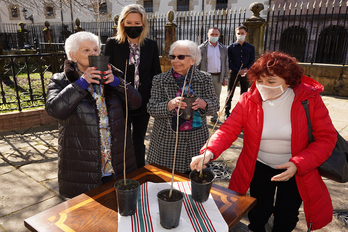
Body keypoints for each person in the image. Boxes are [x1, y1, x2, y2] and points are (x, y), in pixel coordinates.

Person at [190, 51, 337, 231]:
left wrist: (299, 164)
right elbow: (229, 129)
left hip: (295, 168)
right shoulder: (248, 100)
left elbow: (326, 138)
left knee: (287, 214)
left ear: (288, 80)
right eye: (259, 81)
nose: (263, 87)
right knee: (258, 210)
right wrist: (209, 151)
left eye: (271, 82)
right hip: (259, 165)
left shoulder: (309, 100)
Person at [45, 31, 142, 198]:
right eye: (86, 50)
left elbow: (136, 103)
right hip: (83, 161)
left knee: (119, 207)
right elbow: (55, 109)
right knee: (87, 214)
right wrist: (82, 82)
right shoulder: (60, 80)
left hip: (117, 157)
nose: (93, 54)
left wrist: (117, 83)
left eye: (96, 50)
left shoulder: (113, 75)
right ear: (72, 55)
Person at [147, 40, 219, 174]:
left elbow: (215, 105)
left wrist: (204, 104)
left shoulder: (204, 79)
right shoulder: (160, 79)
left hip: (195, 141)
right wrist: (170, 105)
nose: (175, 60)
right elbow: (151, 108)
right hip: (166, 142)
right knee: (165, 182)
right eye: (172, 56)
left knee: (192, 180)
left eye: (180, 57)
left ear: (193, 60)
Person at [104, 4, 161, 169]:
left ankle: (139, 172)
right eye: (129, 23)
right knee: (121, 140)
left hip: (143, 101)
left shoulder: (150, 45)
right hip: (119, 102)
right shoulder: (112, 44)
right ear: (122, 23)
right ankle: (122, 172)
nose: (133, 27)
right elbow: (107, 72)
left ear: (143, 24)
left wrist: (154, 98)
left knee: (138, 140)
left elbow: (155, 74)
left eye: (137, 23)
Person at [197, 27, 228, 123]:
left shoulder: (223, 49)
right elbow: (197, 64)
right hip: (204, 77)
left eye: (216, 34)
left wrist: (225, 77)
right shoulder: (201, 48)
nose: (214, 36)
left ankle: (214, 118)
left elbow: (225, 64)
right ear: (208, 35)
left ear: (219, 36)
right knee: (201, 97)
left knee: (215, 98)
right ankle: (201, 118)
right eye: (212, 34)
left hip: (218, 76)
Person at [225, 25, 255, 119]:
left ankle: (242, 113)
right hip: (234, 73)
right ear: (235, 34)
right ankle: (226, 113)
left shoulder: (251, 47)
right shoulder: (230, 47)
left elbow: (252, 61)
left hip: (246, 74)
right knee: (230, 93)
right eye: (238, 33)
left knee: (244, 94)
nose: (240, 35)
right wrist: (238, 70)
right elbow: (228, 62)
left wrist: (246, 69)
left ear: (246, 34)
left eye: (242, 33)